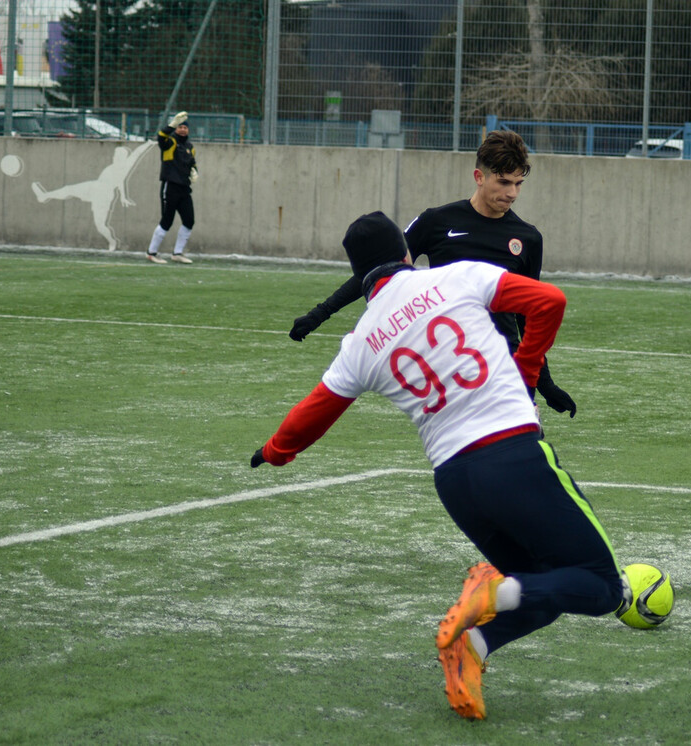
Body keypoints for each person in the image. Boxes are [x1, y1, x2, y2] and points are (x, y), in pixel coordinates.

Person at [250, 212, 623, 720]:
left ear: (361, 278)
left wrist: (273, 451)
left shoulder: (360, 343)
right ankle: (493, 590)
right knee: (601, 586)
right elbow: (549, 301)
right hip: (511, 452)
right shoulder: (456, 275)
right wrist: (529, 366)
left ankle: (475, 649)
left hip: (455, 481)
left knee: (544, 586)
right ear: (407, 254)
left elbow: (311, 415)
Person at [287, 130, 576, 419]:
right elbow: (377, 273)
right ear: (479, 176)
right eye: (503, 182)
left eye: (518, 184)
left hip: (506, 367)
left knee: (521, 455)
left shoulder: (528, 238)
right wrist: (319, 314)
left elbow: (526, 318)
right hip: (450, 368)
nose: (512, 193)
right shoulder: (437, 222)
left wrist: (545, 383)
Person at [146, 111, 198, 264]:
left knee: (189, 220)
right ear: (176, 128)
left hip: (184, 188)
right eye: (180, 127)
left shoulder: (190, 146)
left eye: (185, 127)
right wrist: (170, 125)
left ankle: (177, 253)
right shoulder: (170, 143)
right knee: (167, 221)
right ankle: (151, 252)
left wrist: (195, 172)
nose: (182, 129)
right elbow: (161, 138)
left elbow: (192, 164)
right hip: (170, 186)